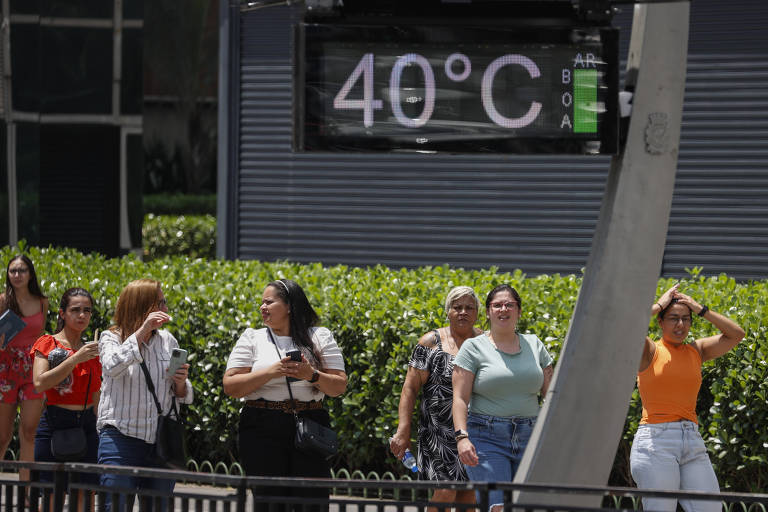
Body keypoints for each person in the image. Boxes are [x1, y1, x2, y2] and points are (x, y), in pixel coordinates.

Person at [223, 279, 347, 512]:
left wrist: (311, 375)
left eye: (269, 302)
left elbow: (339, 386)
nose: (262, 307)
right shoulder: (252, 337)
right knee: (268, 503)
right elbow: (230, 386)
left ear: (289, 306)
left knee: (312, 503)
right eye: (261, 303)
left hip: (309, 424)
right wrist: (271, 372)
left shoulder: (319, 336)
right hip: (261, 426)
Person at [630, 284, 745, 512]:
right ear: (660, 322)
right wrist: (660, 304)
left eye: (686, 318)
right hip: (655, 442)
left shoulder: (697, 350)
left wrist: (700, 309)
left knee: (710, 509)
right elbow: (629, 325)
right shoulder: (649, 350)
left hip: (692, 440)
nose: (680, 324)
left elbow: (737, 334)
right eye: (673, 318)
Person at [452, 284, 554, 510]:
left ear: (518, 311)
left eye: (509, 304)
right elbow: (459, 398)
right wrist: (462, 438)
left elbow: (552, 396)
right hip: (486, 438)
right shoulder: (473, 347)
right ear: (488, 312)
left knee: (528, 505)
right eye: (496, 305)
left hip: (531, 437)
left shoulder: (535, 344)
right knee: (497, 506)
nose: (503, 309)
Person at [97, 279, 193, 512]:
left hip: (159, 442)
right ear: (142, 306)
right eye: (160, 303)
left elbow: (179, 394)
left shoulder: (168, 340)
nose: (166, 308)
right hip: (120, 439)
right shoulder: (111, 338)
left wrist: (181, 383)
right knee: (115, 507)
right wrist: (142, 331)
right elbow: (111, 366)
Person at [390, 286, 481, 508]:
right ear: (447, 311)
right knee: (446, 490)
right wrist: (403, 428)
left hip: (474, 432)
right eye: (457, 307)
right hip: (437, 433)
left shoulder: (485, 343)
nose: (463, 312)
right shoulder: (430, 342)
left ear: (477, 313)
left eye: (469, 307)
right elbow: (409, 388)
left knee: (468, 497)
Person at [31, 288, 101, 493]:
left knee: (85, 496)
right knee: (51, 494)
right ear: (62, 313)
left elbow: (96, 394)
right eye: (75, 309)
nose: (82, 315)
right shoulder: (48, 343)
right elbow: (39, 383)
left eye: (87, 310)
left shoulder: (92, 350)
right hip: (55, 422)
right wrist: (76, 358)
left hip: (87, 424)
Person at [0, 254, 48, 484]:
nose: (17, 275)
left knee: (29, 432)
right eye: (13, 271)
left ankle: (26, 490)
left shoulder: (41, 302)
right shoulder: (2, 301)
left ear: (30, 274)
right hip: (5, 370)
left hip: (32, 370)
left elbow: (41, 337)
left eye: (22, 270)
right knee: (2, 436)